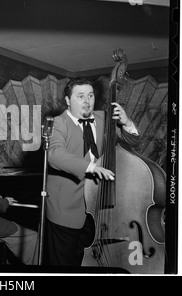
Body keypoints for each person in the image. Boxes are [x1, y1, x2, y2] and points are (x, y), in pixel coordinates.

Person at [45, 77, 141, 267]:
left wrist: (127, 122)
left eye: (90, 95)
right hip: (65, 210)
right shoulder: (58, 123)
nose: (87, 101)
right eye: (80, 96)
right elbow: (54, 154)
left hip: (98, 208)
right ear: (67, 100)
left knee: (89, 263)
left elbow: (133, 143)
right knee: (64, 264)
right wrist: (91, 167)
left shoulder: (103, 117)